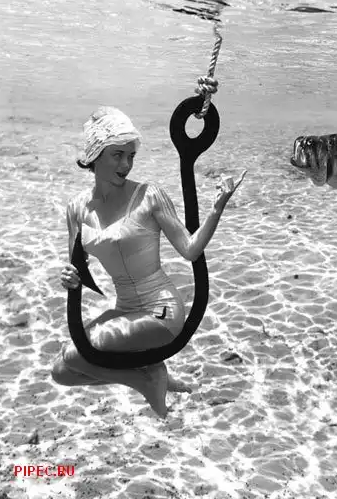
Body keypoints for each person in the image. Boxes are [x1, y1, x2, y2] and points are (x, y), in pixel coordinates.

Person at [51, 99, 246, 418]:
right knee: (61, 370)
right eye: (118, 154)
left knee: (75, 356)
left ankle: (146, 380)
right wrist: (68, 277)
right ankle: (152, 375)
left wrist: (217, 207)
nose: (126, 164)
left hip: (161, 309)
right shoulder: (76, 209)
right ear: (95, 154)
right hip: (125, 309)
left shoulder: (149, 195)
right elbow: (77, 269)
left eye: (131, 156)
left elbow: (190, 250)